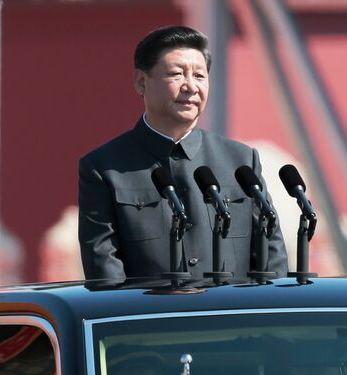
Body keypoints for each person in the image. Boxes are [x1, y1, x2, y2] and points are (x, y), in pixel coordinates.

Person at [78, 25, 289, 283]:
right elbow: (105, 273)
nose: (190, 86)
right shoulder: (105, 168)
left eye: (200, 76)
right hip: (150, 319)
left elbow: (271, 254)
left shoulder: (241, 161)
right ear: (141, 82)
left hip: (233, 319)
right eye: (177, 74)